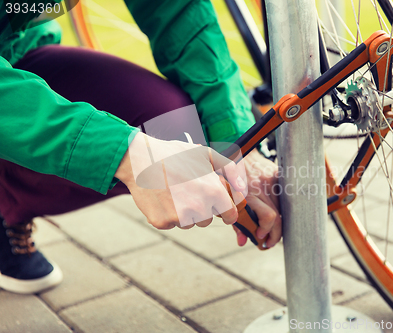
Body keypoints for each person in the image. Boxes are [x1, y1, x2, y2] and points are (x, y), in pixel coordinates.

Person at [0, 0, 281, 294]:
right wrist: (126, 153)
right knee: (148, 153)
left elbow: (177, 9)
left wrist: (234, 145)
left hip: (16, 49)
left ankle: (11, 202)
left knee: (173, 127)